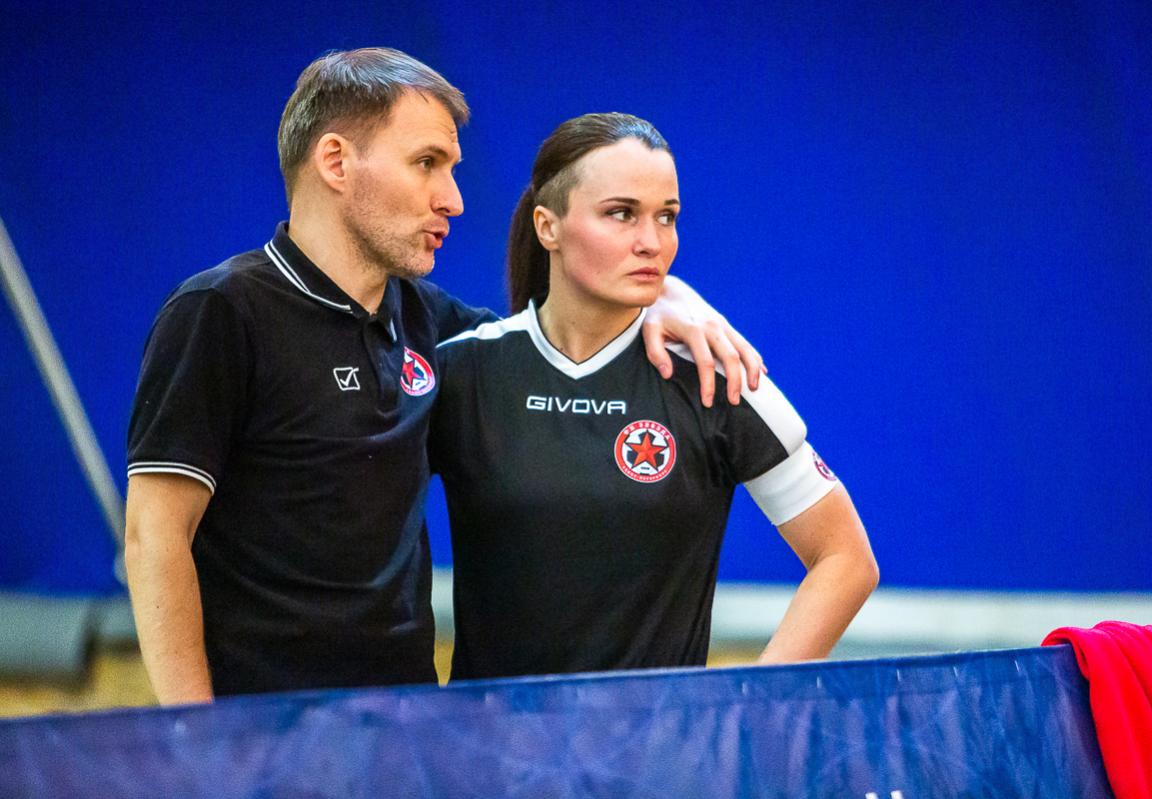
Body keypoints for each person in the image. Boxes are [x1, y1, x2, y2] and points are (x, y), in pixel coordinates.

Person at [123, 50, 762, 703]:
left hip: (409, 725)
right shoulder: (220, 312)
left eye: (452, 169)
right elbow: (154, 535)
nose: (452, 199)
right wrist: (193, 733)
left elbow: (558, 331)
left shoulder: (429, 324)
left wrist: (666, 295)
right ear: (336, 162)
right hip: (262, 727)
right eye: (427, 163)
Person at [430, 113, 878, 680]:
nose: (652, 242)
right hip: (489, 737)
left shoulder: (714, 374)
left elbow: (845, 558)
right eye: (621, 214)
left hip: (661, 740)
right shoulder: (463, 371)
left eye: (666, 217)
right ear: (548, 227)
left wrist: (750, 701)